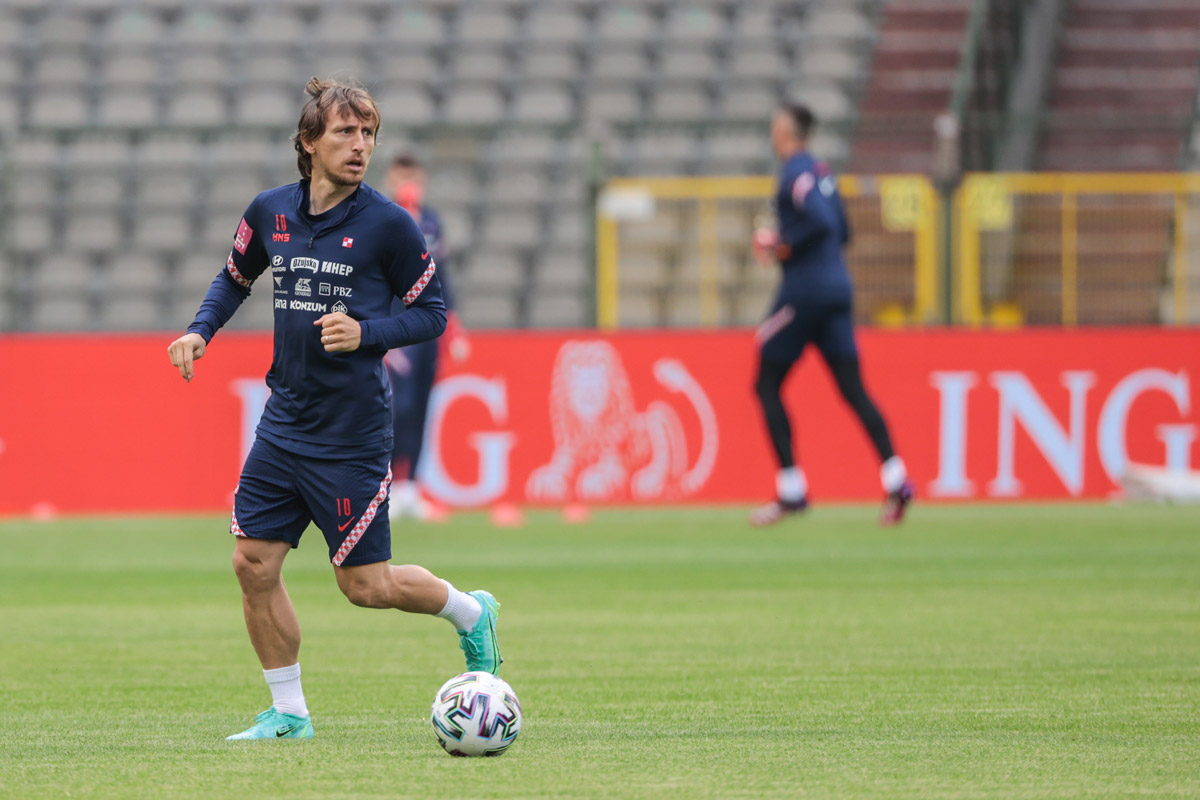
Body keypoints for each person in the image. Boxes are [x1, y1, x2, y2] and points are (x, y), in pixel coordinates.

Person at [166, 78, 502, 741]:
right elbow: (235, 277)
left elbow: (433, 313)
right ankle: (288, 713)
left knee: (365, 586)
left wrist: (366, 332)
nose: (361, 145)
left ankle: (470, 612)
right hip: (285, 421)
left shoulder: (388, 224)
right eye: (346, 132)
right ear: (309, 142)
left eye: (369, 132)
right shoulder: (270, 212)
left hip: (351, 433)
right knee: (251, 562)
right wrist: (202, 329)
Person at [749, 103, 914, 527]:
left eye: (774, 126)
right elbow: (843, 230)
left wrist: (781, 242)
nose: (772, 132)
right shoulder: (823, 173)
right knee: (853, 389)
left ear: (785, 130)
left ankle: (792, 490)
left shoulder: (795, 172)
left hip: (806, 294)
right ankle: (896, 481)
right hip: (838, 290)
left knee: (765, 380)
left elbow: (821, 223)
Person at [383, 153, 470, 521]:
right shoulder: (381, 217)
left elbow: (442, 279)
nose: (408, 181)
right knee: (394, 408)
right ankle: (382, 487)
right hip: (396, 327)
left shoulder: (432, 222)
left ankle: (410, 488)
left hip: (429, 327)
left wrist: (455, 327)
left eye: (413, 174)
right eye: (402, 174)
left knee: (420, 406)